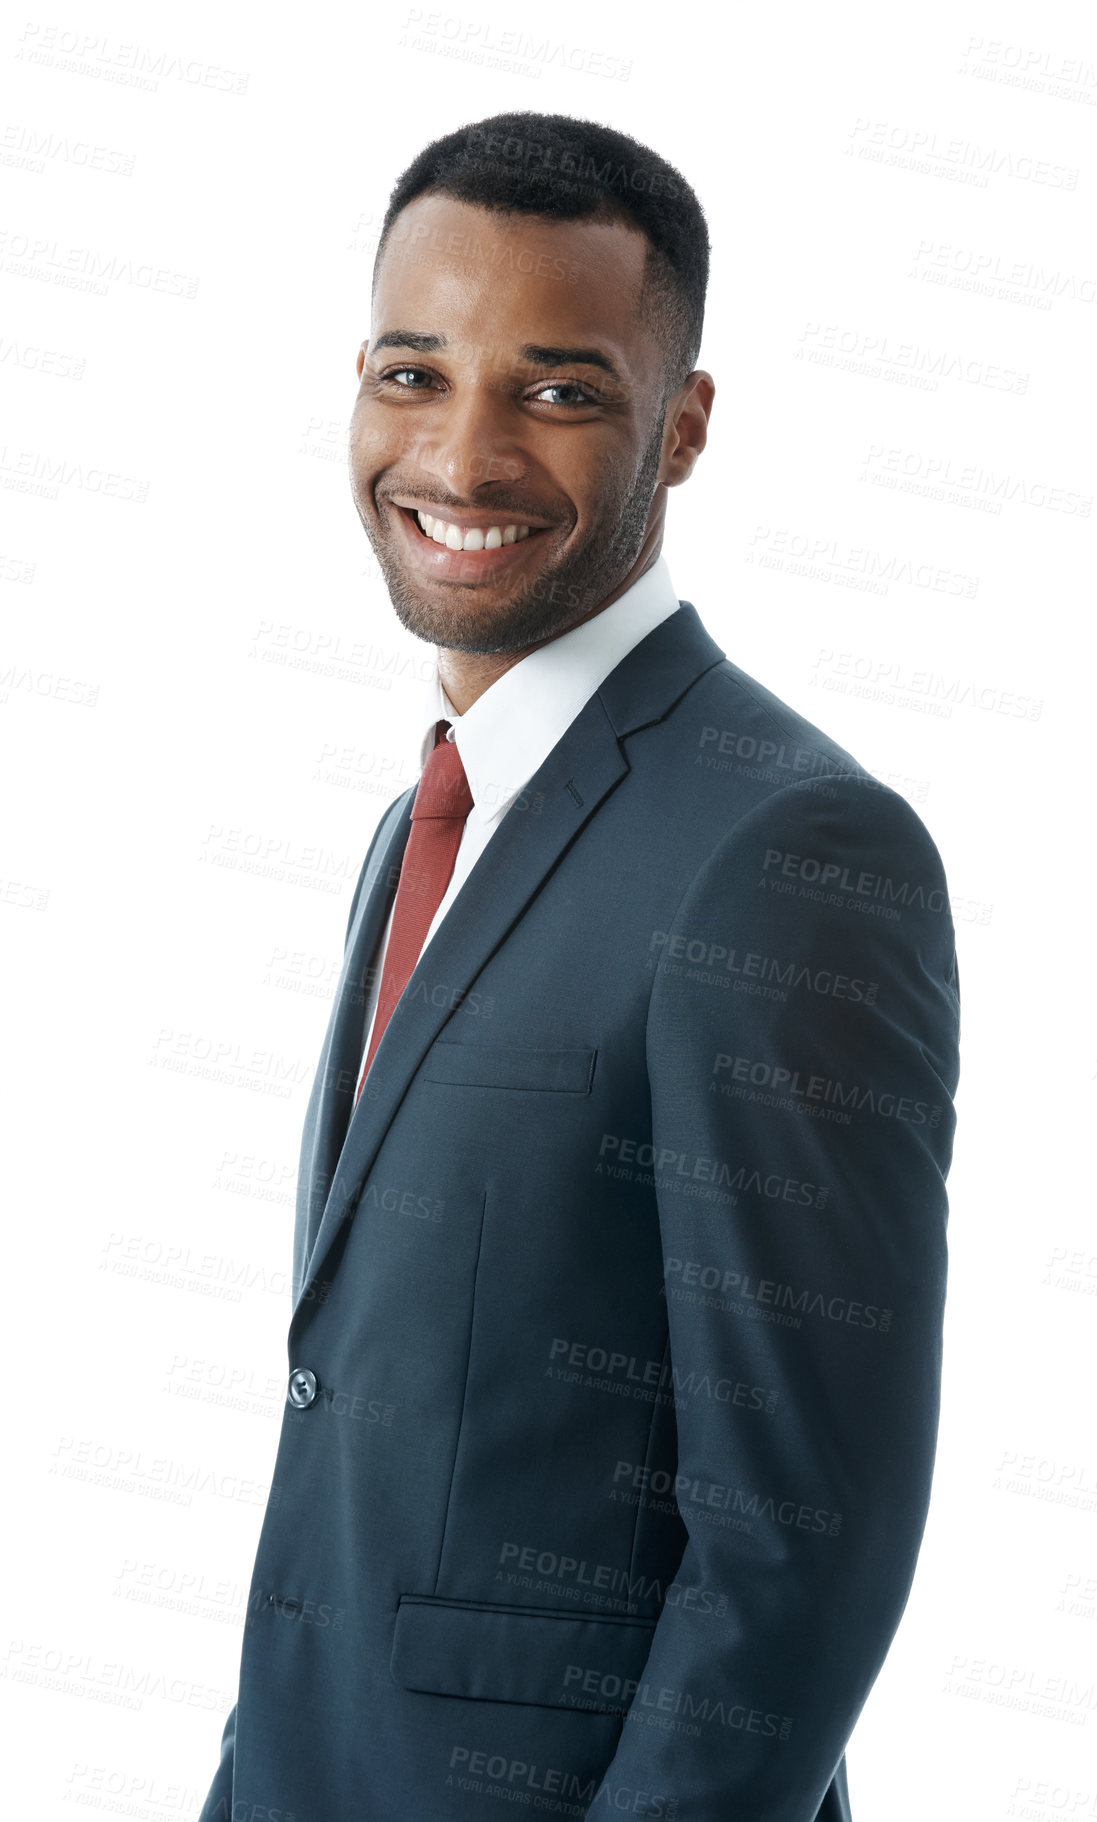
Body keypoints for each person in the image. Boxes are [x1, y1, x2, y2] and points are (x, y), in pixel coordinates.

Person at [198, 110, 961, 1822]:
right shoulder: (424, 827)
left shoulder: (784, 851)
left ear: (680, 427)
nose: (460, 458)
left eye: (557, 390)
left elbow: (799, 1548)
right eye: (413, 372)